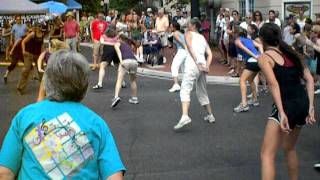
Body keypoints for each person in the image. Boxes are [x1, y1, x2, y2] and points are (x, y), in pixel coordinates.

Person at [0, 50, 126, 180]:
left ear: (47, 81)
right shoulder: (97, 124)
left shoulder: (25, 116)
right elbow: (114, 177)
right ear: (84, 85)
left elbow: (4, 173)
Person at [258, 23, 315, 180]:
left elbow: (274, 85)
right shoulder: (292, 53)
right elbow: (310, 80)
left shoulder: (264, 58)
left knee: (266, 155)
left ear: (262, 39)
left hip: (287, 106)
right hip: (302, 104)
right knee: (289, 148)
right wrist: (310, 106)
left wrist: (282, 112)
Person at [174, 18, 215, 131]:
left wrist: (197, 62)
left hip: (193, 63)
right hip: (201, 64)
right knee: (202, 90)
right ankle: (210, 115)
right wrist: (206, 66)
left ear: (193, 26)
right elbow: (210, 54)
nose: (187, 24)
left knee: (185, 89)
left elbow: (190, 48)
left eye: (189, 23)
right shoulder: (202, 37)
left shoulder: (188, 33)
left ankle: (185, 116)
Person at [233, 27, 263, 113]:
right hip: (258, 62)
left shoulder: (237, 40)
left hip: (253, 61)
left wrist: (255, 56)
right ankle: (254, 99)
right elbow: (260, 45)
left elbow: (244, 49)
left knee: (242, 80)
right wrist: (261, 56)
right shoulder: (249, 40)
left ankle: (244, 104)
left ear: (236, 34)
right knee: (250, 79)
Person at [111, 34, 139, 108]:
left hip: (125, 61)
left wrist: (121, 61)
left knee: (119, 80)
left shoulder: (117, 44)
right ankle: (134, 98)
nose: (116, 40)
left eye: (117, 38)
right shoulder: (128, 45)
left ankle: (116, 97)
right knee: (133, 81)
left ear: (120, 39)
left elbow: (119, 52)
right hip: (134, 62)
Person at [16, 23, 45, 95]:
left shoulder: (43, 34)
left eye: (40, 26)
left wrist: (42, 54)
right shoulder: (32, 34)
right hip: (29, 54)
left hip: (37, 55)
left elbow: (41, 45)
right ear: (35, 27)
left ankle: (45, 87)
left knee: (41, 70)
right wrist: (23, 51)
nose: (39, 28)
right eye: (37, 26)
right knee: (26, 70)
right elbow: (23, 42)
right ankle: (20, 88)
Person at [3, 16, 28, 83]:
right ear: (16, 20)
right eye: (17, 19)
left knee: (27, 63)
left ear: (21, 20)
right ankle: (5, 75)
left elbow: (27, 32)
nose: (18, 20)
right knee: (13, 63)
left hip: (23, 46)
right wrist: (11, 40)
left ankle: (30, 76)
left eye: (19, 19)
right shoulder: (14, 26)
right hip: (16, 46)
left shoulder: (24, 26)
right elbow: (12, 34)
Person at [169, 22, 187, 93]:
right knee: (183, 68)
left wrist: (185, 49)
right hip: (184, 52)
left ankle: (176, 84)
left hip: (182, 51)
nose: (170, 28)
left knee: (174, 67)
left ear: (174, 27)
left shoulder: (175, 33)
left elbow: (181, 43)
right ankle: (186, 85)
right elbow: (177, 45)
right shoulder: (181, 33)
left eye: (171, 26)